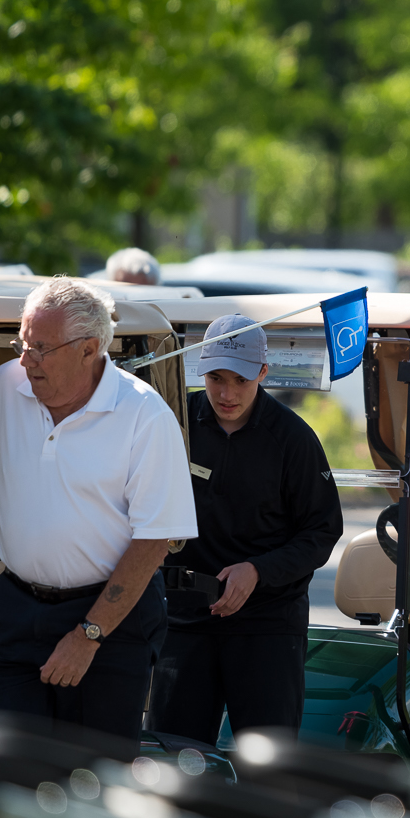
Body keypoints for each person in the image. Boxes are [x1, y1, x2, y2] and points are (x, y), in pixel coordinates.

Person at [0, 276, 196, 747]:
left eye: (40, 348)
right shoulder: (2, 389)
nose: (25, 360)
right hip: (17, 612)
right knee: (4, 763)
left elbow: (153, 541)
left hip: (111, 623)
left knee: (93, 775)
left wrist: (88, 635)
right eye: (22, 344)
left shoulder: (145, 416)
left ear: (89, 349)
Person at [151, 314, 342, 747]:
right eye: (216, 378)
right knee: (171, 758)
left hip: (267, 624)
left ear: (263, 372)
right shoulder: (174, 423)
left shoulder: (293, 438)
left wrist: (258, 570)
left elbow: (322, 531)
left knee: (268, 764)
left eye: (240, 379)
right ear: (201, 371)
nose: (227, 393)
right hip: (184, 619)